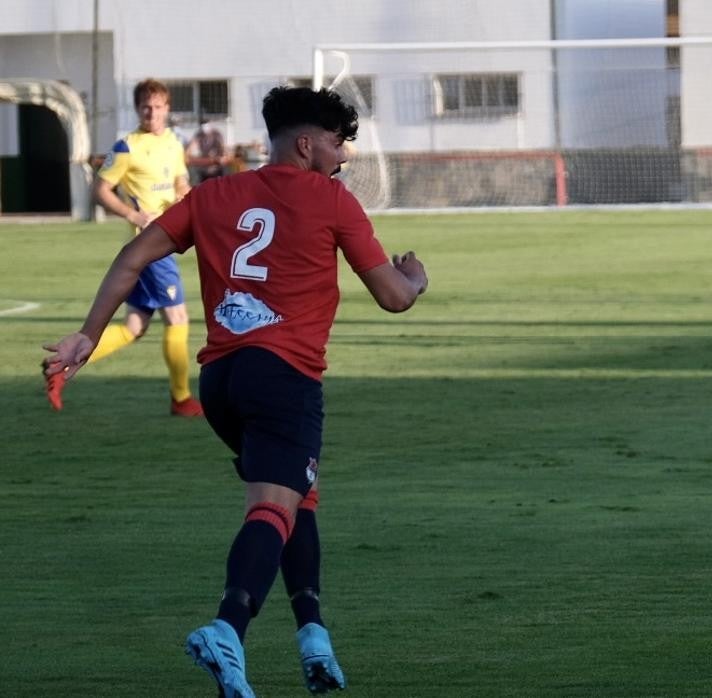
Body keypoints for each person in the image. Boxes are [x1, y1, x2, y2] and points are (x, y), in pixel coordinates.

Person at [41, 86, 429, 697]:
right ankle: (227, 629)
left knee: (300, 493)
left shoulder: (213, 193)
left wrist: (88, 336)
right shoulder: (331, 200)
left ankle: (313, 637)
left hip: (222, 381)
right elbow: (393, 297)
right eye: (335, 143)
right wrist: (415, 276)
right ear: (305, 144)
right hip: (284, 378)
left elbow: (132, 255)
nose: (343, 157)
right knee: (275, 505)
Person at [43, 78, 203, 415]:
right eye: (145, 106)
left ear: (167, 108)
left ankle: (62, 365)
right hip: (151, 245)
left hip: (166, 241)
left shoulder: (173, 143)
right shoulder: (127, 146)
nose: (152, 112)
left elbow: (180, 180)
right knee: (178, 317)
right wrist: (133, 213)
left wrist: (183, 191)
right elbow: (100, 190)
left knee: (134, 327)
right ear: (137, 109)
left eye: (158, 106)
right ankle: (182, 399)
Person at [187, 118, 228, 184]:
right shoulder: (199, 135)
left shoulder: (216, 134)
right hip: (204, 168)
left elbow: (223, 148)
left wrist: (222, 157)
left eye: (206, 126)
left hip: (216, 167)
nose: (204, 128)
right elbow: (191, 147)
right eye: (202, 126)